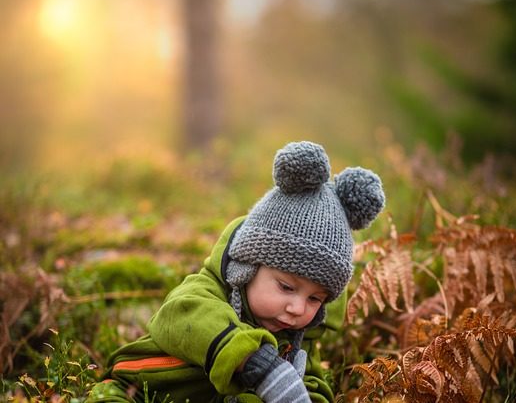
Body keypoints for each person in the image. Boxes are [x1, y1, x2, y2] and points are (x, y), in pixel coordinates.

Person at [87, 141, 385, 403]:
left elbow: (312, 385)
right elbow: (177, 317)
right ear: (247, 267)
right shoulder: (205, 292)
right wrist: (251, 359)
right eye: (286, 287)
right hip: (136, 388)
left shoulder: (297, 341)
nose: (297, 309)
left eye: (315, 299)